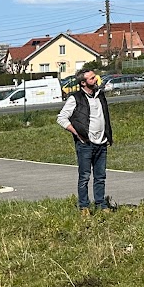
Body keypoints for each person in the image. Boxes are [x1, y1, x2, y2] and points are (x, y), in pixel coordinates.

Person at [58, 67, 115, 212]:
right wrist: (77, 133)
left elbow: (104, 117)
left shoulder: (100, 95)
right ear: (83, 83)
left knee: (100, 177)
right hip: (85, 145)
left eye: (95, 77)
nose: (95, 80)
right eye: (91, 78)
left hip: (101, 143)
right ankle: (84, 207)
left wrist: (107, 135)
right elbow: (61, 118)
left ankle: (101, 205)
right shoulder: (75, 98)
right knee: (84, 177)